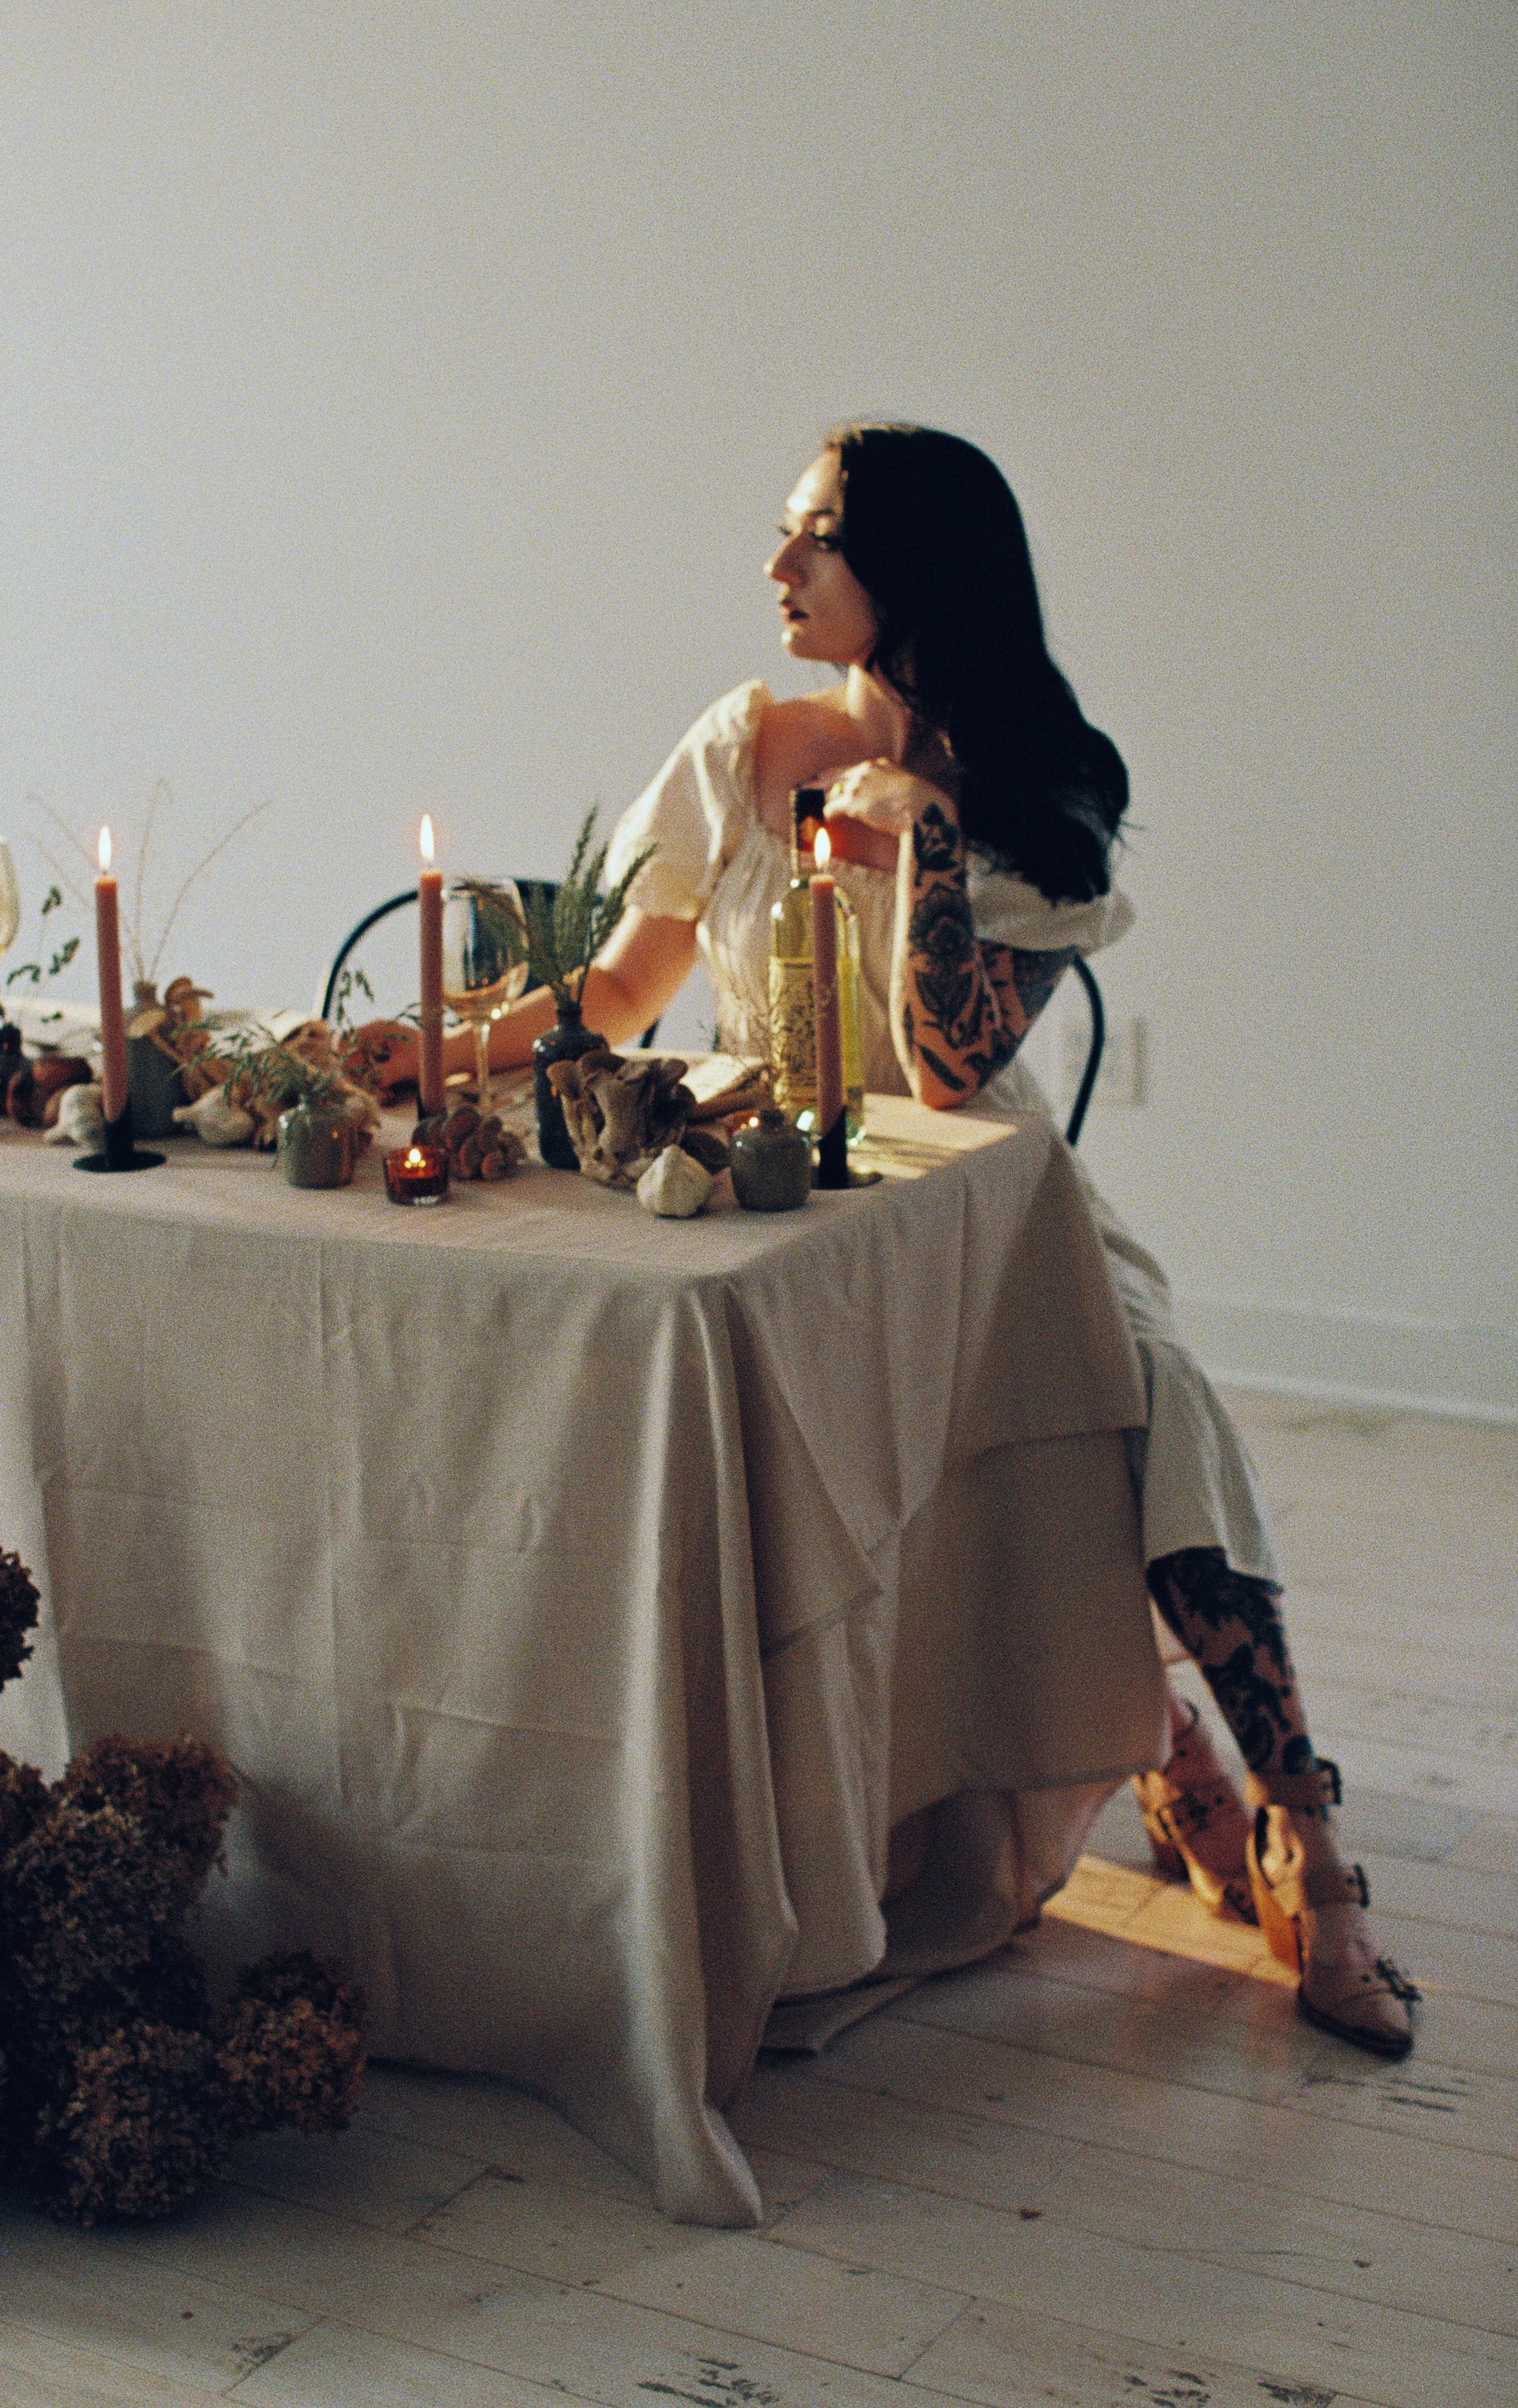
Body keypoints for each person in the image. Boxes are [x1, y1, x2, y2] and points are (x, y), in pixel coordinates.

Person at [399, 422, 1417, 2058]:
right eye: (785, 533)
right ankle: (1156, 1746)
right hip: (778, 1183)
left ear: (913, 566)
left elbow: (947, 1069)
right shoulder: (744, 741)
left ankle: (1304, 1827)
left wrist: (926, 837)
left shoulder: (1047, 780)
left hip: (984, 1188)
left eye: (814, 537)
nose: (776, 567)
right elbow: (628, 986)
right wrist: (447, 1049)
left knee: (1152, 1396)